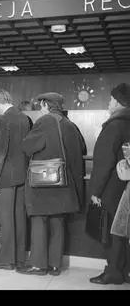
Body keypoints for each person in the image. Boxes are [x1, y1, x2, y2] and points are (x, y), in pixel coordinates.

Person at [18, 92, 84, 276]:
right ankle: (55, 265)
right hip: (64, 182)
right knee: (57, 222)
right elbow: (81, 150)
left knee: (39, 221)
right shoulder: (70, 125)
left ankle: (39, 265)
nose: (39, 108)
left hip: (44, 182)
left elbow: (28, 147)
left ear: (46, 105)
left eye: (40, 105)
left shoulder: (45, 121)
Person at [89, 82, 130, 285]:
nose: (108, 102)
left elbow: (103, 162)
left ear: (118, 101)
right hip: (127, 187)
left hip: (113, 188)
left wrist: (95, 190)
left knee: (113, 230)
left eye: (111, 99)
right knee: (125, 231)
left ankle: (113, 271)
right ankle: (124, 270)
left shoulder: (114, 125)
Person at [0, 88, 30, 271]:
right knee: (19, 217)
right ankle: (19, 258)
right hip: (22, 174)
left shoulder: (4, 120)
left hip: (5, 175)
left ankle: (5, 259)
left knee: (6, 219)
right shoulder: (24, 118)